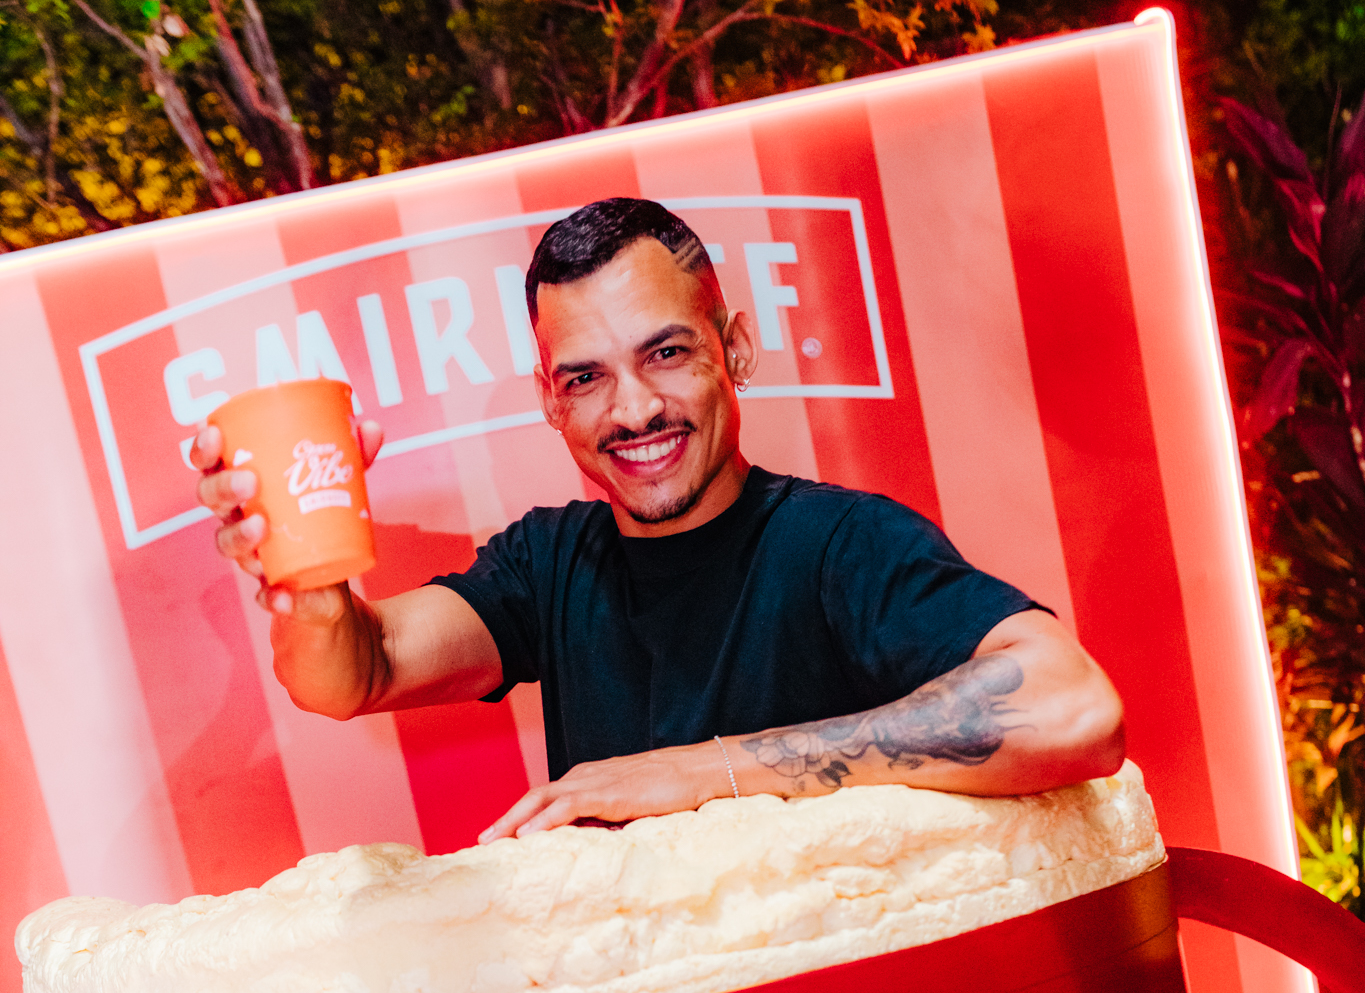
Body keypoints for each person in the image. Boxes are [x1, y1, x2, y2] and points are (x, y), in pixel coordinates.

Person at [192, 197, 1123, 842]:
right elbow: (355, 673)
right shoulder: (548, 563)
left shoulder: (841, 544)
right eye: (585, 377)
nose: (633, 409)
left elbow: (1072, 708)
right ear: (550, 401)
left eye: (665, 353)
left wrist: (698, 774)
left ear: (735, 350)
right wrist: (307, 583)